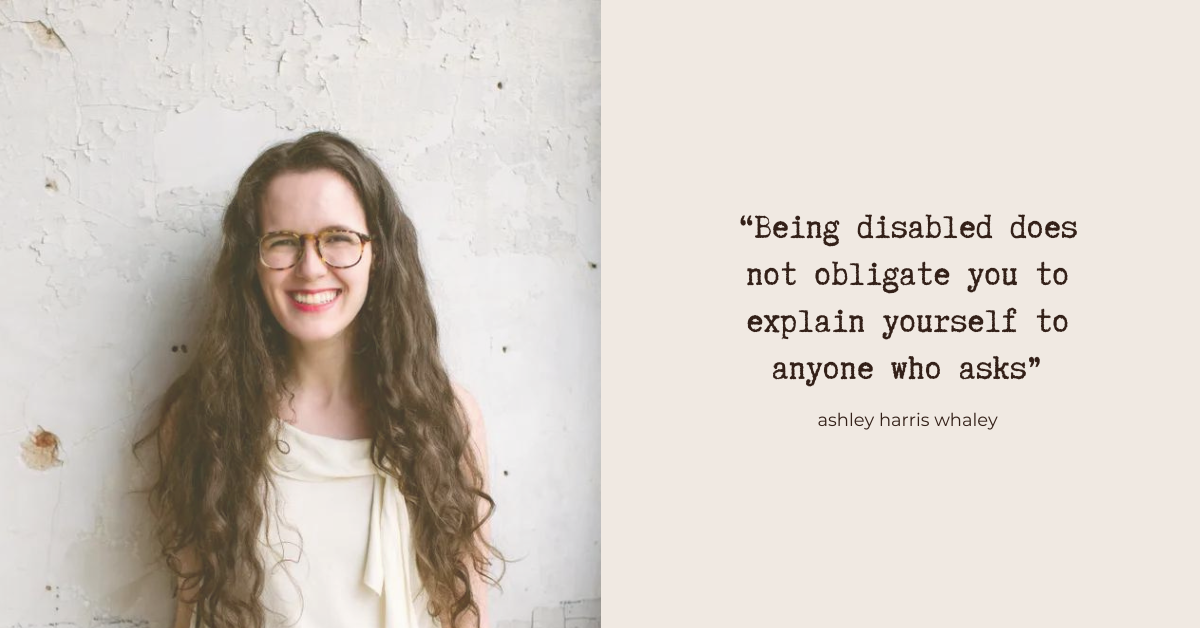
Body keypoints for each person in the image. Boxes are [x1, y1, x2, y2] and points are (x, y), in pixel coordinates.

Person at [136, 131, 502, 628]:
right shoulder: (203, 419)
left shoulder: (447, 418)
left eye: (338, 238)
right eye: (283, 242)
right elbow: (191, 608)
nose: (311, 268)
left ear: (378, 252)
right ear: (252, 261)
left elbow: (469, 613)